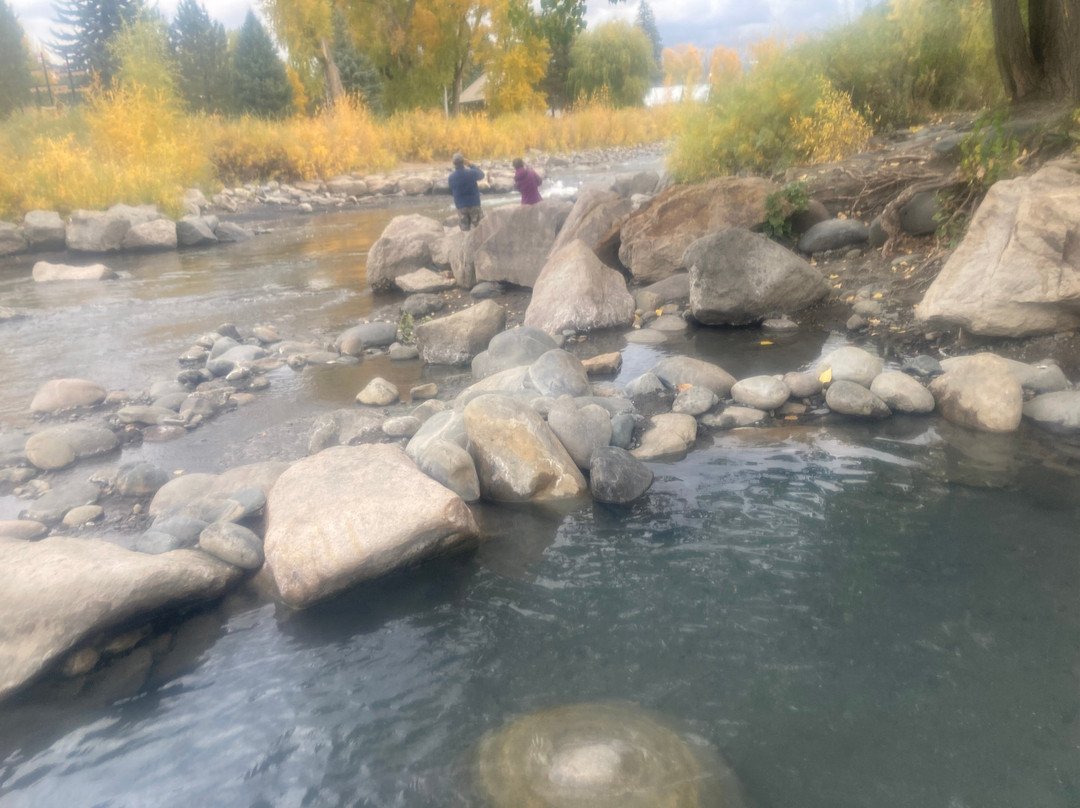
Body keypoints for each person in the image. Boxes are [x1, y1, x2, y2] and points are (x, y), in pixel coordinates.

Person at [448, 153, 485, 231]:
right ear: (463, 162)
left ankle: (466, 243)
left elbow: (451, 192)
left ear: (453, 163)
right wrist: (471, 165)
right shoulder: (471, 173)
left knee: (464, 231)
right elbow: (482, 175)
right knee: (479, 228)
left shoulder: (451, 178)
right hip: (474, 204)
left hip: (461, 206)